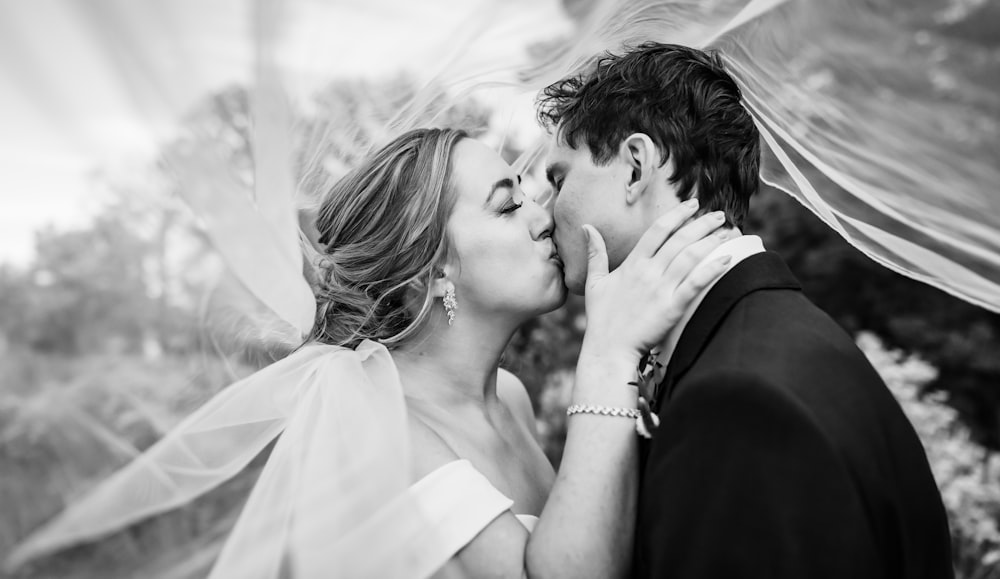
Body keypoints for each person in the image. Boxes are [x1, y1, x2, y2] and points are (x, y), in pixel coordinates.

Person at [6, 126, 730, 579]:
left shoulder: (507, 395)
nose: (545, 216)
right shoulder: (376, 421)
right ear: (433, 269)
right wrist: (606, 352)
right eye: (508, 205)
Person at [537, 42, 955, 579]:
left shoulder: (739, 401)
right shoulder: (784, 334)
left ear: (636, 167)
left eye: (559, 180)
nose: (547, 215)